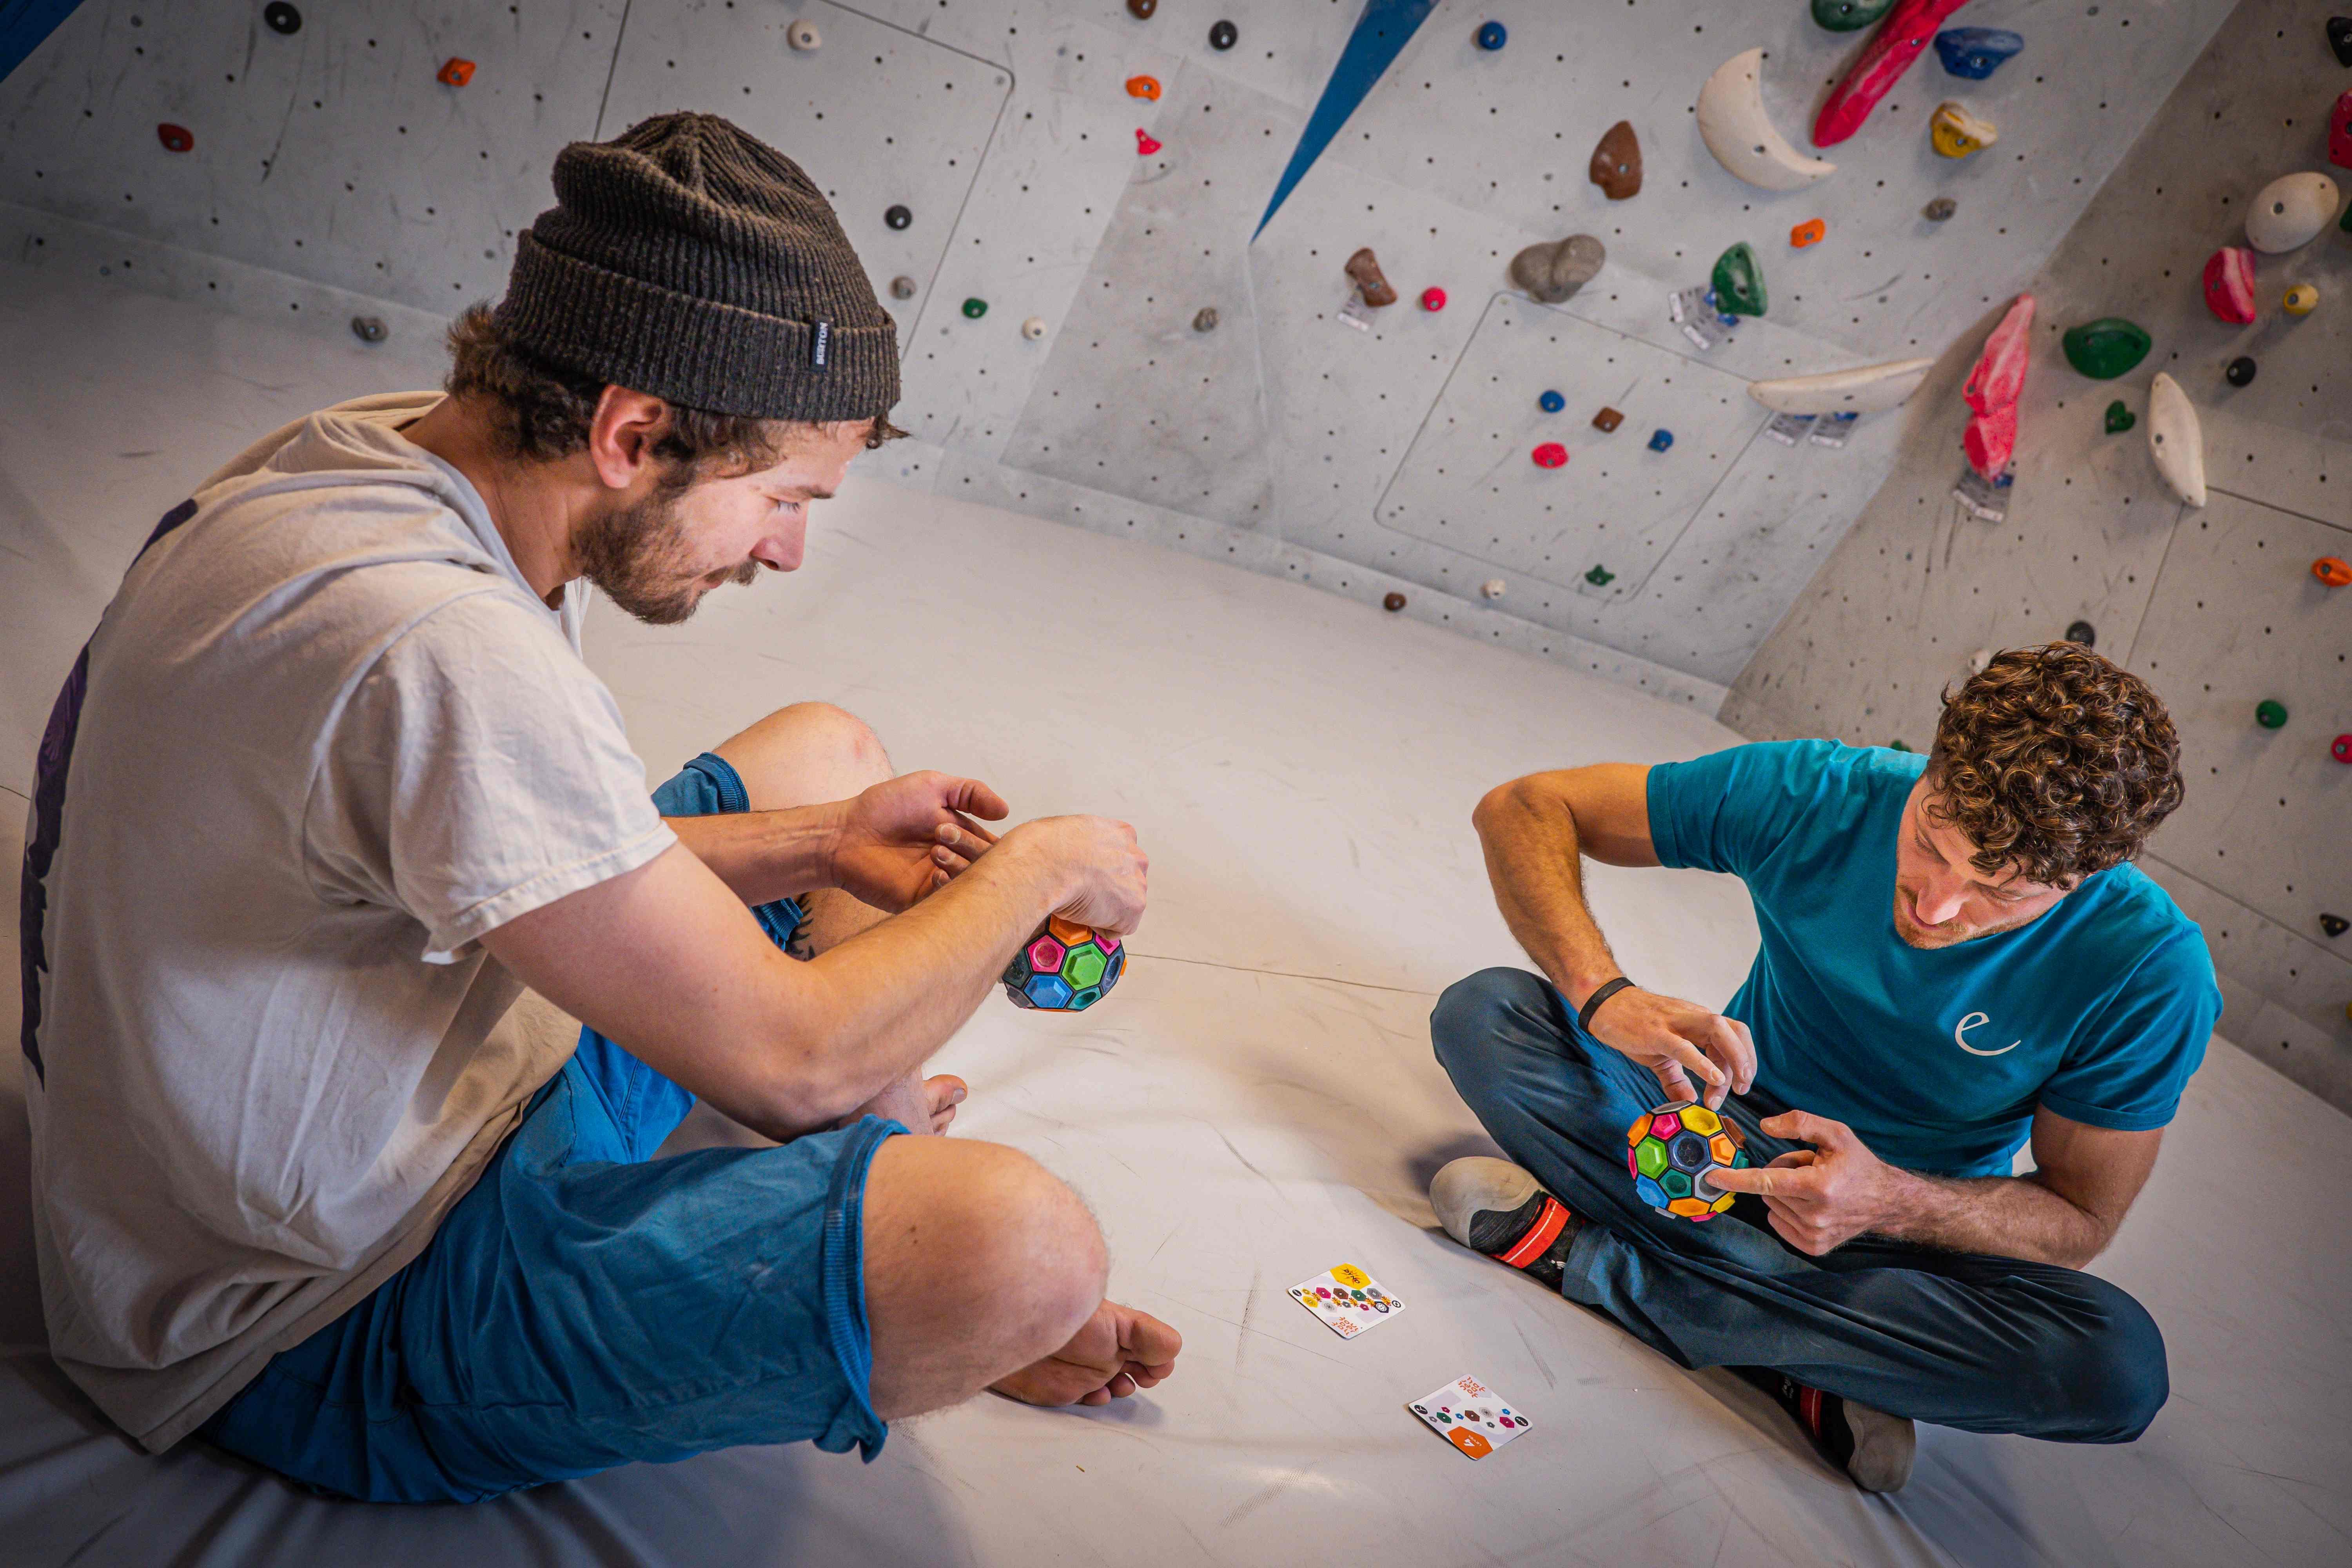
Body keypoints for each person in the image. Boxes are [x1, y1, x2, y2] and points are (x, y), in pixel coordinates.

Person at [20, 112, 1178, 1504]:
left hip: (456, 1065)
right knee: (1024, 1253)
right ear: (636, 433)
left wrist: (820, 845)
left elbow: (454, 839)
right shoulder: (440, 645)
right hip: (317, 1315)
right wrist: (1049, 866)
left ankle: (874, 1211)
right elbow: (789, 1063)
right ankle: (902, 1260)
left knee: (826, 760)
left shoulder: (379, 458)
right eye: (782, 495)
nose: (788, 547)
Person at [1426, 645, 2217, 1492]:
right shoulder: (1826, 793)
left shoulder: (2149, 967)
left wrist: (1890, 1198)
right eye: (1930, 841)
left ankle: (1605, 1265)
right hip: (1715, 1134)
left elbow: (2078, 1218)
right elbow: (1523, 807)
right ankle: (1806, 1354)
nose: (1936, 903)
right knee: (1489, 1015)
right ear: (1931, 765)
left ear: (2087, 878)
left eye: (1999, 890)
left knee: (2114, 1367)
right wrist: (1605, 994)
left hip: (1899, 1230)